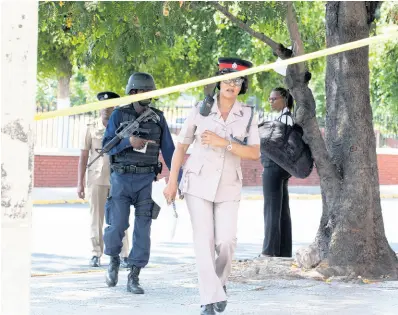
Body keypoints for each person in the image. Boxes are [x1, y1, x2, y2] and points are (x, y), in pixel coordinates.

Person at [163, 57, 260, 315]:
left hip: (229, 185)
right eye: (227, 79)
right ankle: (209, 298)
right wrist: (172, 182)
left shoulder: (248, 115)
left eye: (238, 80)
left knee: (226, 242)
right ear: (218, 81)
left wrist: (224, 143)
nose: (232, 84)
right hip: (198, 183)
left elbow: (253, 153)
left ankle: (218, 283)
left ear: (243, 85)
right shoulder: (200, 110)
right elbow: (181, 147)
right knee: (203, 240)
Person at [102, 72, 177, 294]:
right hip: (121, 179)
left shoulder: (158, 118)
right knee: (117, 225)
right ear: (133, 92)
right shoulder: (118, 115)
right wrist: (128, 142)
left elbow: (171, 152)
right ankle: (114, 258)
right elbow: (106, 146)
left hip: (146, 180)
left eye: (150, 91)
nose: (148, 95)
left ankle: (134, 274)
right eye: (144, 91)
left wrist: (175, 181)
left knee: (143, 230)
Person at [77, 91, 130, 268]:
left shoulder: (122, 126)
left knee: (120, 218)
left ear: (115, 107)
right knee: (96, 217)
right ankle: (96, 253)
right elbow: (84, 156)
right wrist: (80, 183)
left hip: (118, 177)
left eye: (110, 105)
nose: (106, 109)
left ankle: (124, 253)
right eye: (104, 105)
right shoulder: (91, 127)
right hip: (96, 177)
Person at [260, 87, 294, 258]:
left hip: (274, 168)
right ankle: (283, 250)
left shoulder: (285, 119)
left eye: (274, 99)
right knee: (281, 211)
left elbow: (278, 145)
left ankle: (269, 251)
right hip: (281, 169)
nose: (271, 101)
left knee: (271, 209)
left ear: (284, 99)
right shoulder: (285, 117)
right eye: (269, 99)